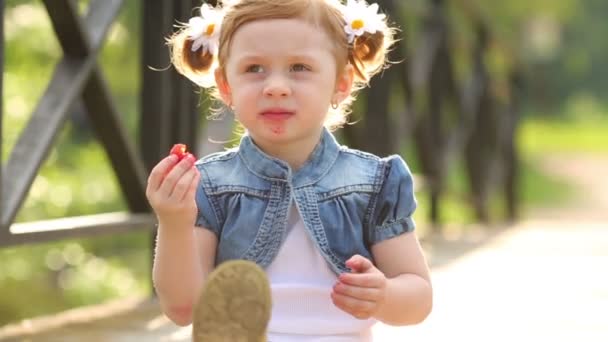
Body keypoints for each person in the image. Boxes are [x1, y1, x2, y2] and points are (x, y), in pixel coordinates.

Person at [146, 0, 433, 341]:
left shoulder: (374, 182)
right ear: (226, 86)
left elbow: (418, 298)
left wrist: (384, 294)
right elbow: (183, 309)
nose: (276, 86)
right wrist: (174, 221)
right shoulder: (209, 185)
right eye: (254, 68)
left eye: (299, 67)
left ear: (341, 84)